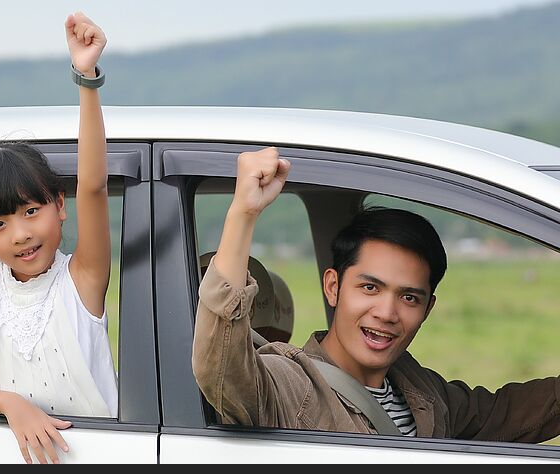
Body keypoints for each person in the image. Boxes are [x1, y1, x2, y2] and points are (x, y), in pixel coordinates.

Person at [192, 147, 560, 441]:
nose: (386, 312)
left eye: (409, 297)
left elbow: (508, 413)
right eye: (370, 287)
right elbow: (220, 366)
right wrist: (243, 213)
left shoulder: (424, 391)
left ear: (428, 309)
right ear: (333, 287)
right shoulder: (288, 384)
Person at [0, 12, 118, 464]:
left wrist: (87, 78)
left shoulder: (82, 275)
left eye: (30, 211)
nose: (20, 234)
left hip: (104, 457)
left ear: (60, 205)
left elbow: (93, 185)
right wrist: (11, 404)